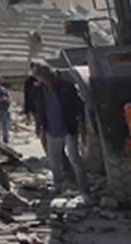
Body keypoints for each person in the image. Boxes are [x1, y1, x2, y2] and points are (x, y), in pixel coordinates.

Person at [33, 65, 92, 204]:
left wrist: (82, 126)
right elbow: (39, 108)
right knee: (54, 160)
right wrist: (38, 125)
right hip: (51, 130)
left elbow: (79, 105)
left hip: (68, 128)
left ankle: (85, 190)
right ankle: (58, 186)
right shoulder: (39, 89)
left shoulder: (65, 87)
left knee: (75, 159)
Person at [22, 63, 47, 152]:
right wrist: (27, 112)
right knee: (41, 130)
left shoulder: (48, 79)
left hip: (49, 108)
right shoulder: (30, 82)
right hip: (36, 109)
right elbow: (27, 96)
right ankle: (48, 153)